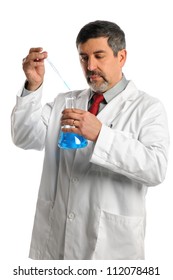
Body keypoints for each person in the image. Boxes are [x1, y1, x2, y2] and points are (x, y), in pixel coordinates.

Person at [11, 20, 169, 260]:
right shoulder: (65, 102)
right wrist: (33, 86)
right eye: (84, 57)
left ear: (121, 56)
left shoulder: (148, 108)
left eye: (99, 55)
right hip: (56, 246)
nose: (90, 66)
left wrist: (101, 135)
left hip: (110, 250)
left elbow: (156, 169)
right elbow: (24, 137)